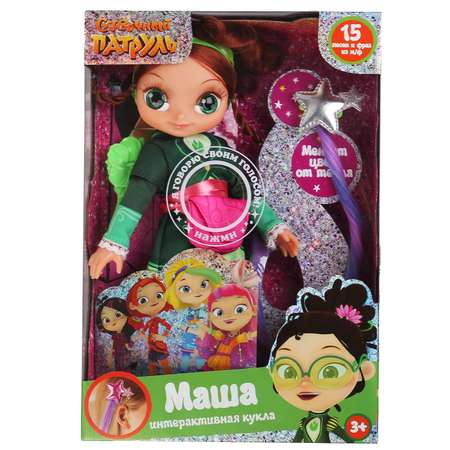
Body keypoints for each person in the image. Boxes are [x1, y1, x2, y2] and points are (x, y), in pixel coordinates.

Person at [270, 277, 377, 443]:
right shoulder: (303, 422)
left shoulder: (331, 422)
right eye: (288, 371)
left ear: (363, 370)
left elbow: (350, 439)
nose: (305, 383)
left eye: (330, 371)